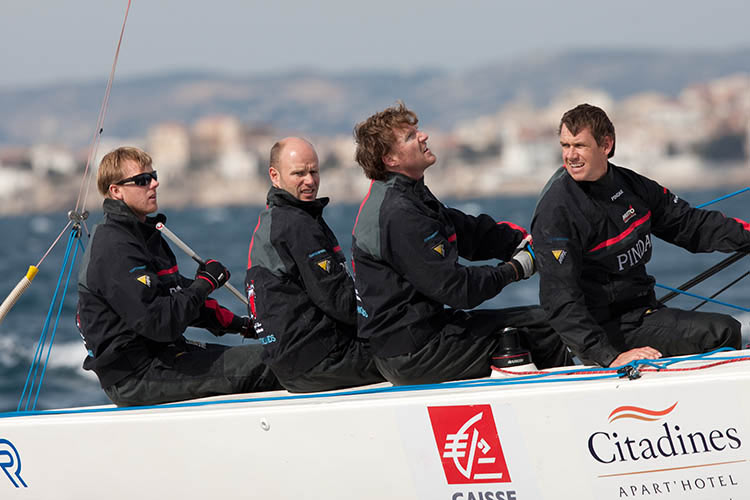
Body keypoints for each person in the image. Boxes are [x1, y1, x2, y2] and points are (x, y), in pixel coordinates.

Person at [351, 102, 571, 385]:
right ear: (390, 159)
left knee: (538, 320)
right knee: (545, 327)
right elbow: (456, 289)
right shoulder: (399, 212)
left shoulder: (410, 195)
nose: (423, 136)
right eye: (410, 137)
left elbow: (468, 232)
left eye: (417, 131)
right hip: (412, 352)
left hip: (419, 337)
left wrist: (527, 241)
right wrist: (517, 269)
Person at [531, 103, 748, 368]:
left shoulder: (630, 185)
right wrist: (610, 357)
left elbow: (691, 225)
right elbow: (559, 299)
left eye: (580, 145)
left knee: (722, 330)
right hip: (605, 331)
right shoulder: (557, 210)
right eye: (565, 146)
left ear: (606, 145)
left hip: (643, 313)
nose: (570, 155)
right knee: (722, 332)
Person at [77, 146, 280, 406]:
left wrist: (241, 325)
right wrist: (205, 284)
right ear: (116, 191)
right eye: (142, 180)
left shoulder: (143, 235)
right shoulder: (114, 247)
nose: (154, 183)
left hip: (165, 356)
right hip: (136, 376)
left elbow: (175, 295)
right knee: (271, 363)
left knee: (274, 353)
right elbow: (161, 322)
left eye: (154, 176)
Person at [245, 137, 385, 392]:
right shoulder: (296, 225)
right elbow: (340, 302)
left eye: (314, 171)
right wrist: (391, 314)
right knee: (410, 349)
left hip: (294, 363)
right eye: (299, 173)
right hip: (320, 362)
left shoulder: (276, 221)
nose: (309, 181)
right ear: (274, 176)